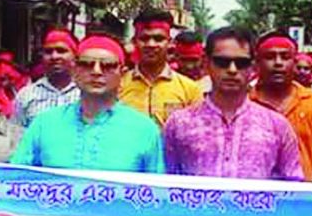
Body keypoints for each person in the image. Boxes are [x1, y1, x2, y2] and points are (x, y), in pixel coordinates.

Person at [164, 26, 303, 180]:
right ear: (206, 63)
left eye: (241, 63)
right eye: (222, 62)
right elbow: (165, 185)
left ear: (253, 67)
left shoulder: (277, 126)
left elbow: (292, 188)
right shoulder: (179, 124)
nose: (232, 70)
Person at [10, 34, 164, 173]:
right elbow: (16, 178)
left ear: (122, 74)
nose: (96, 71)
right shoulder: (45, 124)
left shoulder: (144, 129)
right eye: (87, 64)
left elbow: (157, 192)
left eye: (108, 65)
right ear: (75, 71)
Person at [250, 32, 312, 181]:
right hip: (257, 198)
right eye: (270, 57)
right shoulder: (244, 103)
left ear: (294, 62)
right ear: (257, 63)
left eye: (285, 57)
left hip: (305, 199)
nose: (278, 63)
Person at [119, 9, 202, 128]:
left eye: (158, 39)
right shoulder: (118, 86)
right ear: (134, 41)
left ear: (169, 43)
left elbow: (196, 134)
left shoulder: (190, 90)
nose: (151, 44)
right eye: (144, 38)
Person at [13, 29, 80, 128]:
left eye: (61, 51)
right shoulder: (26, 96)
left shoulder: (87, 94)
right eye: (48, 52)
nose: (54, 56)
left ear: (75, 56)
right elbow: (16, 137)